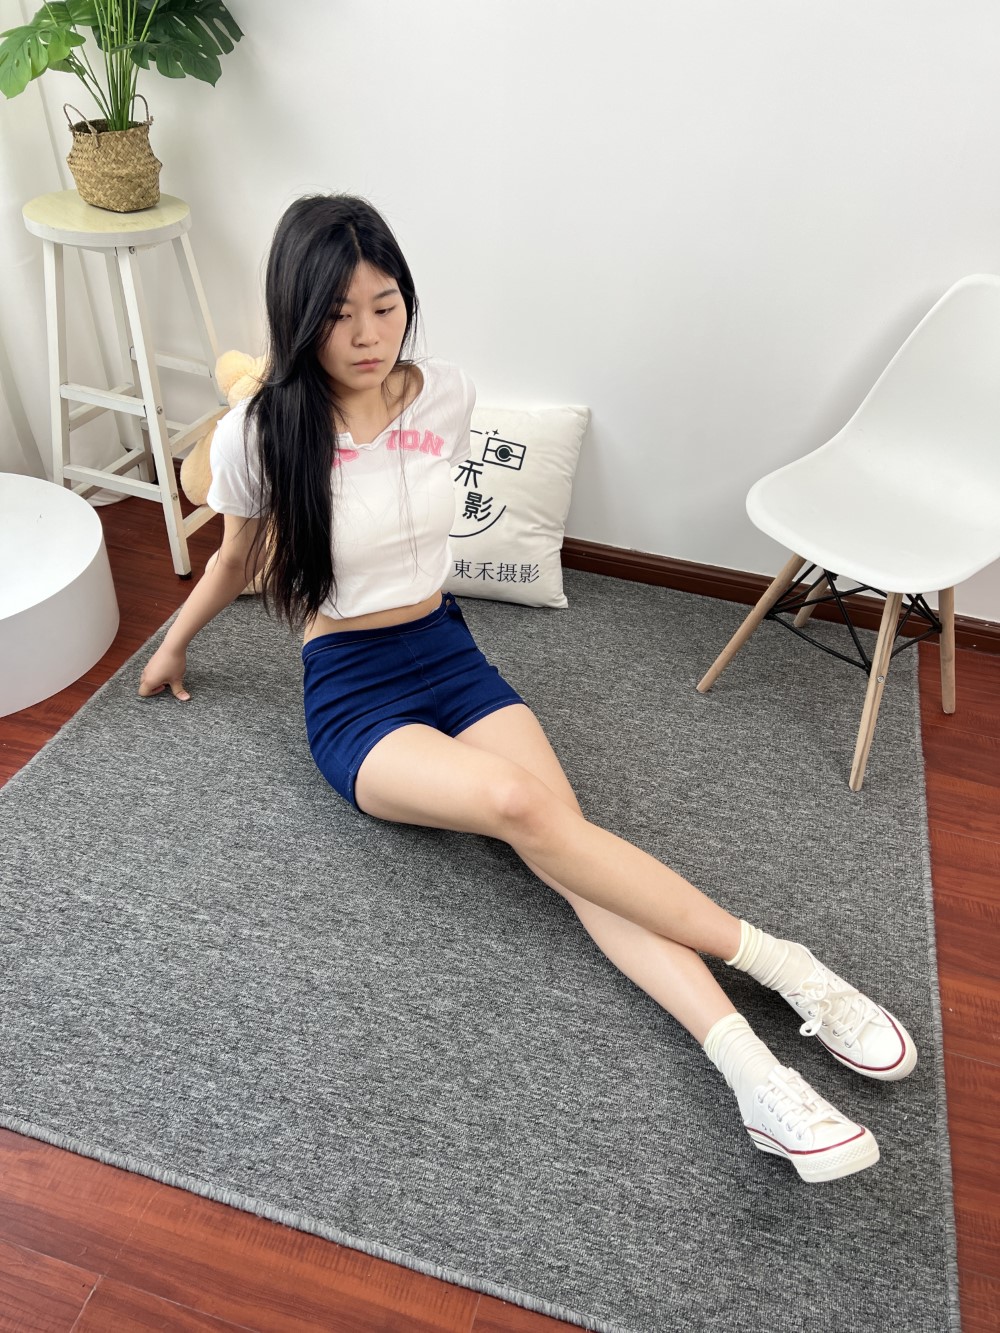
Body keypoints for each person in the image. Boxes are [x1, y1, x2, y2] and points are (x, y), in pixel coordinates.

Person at [139, 193, 917, 1184]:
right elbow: (232, 558)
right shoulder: (261, 432)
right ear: (298, 315)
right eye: (338, 315)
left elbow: (408, 507)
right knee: (522, 807)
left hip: (445, 649)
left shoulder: (443, 396)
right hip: (352, 695)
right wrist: (172, 645)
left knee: (567, 844)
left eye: (384, 305)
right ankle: (784, 964)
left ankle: (754, 1074)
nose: (368, 335)